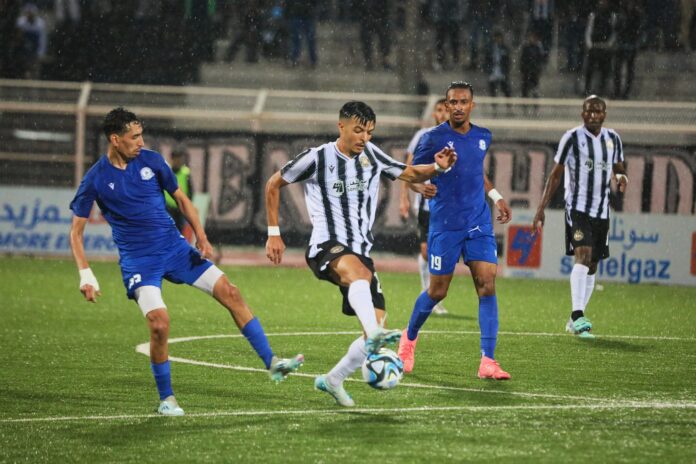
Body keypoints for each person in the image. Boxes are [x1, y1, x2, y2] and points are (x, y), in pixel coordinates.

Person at [69, 108, 303, 416]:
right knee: (159, 325)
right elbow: (76, 232)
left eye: (141, 135)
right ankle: (167, 399)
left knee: (231, 292)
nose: (141, 142)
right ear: (115, 139)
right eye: (134, 137)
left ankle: (273, 362)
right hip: (140, 261)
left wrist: (202, 237)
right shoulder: (96, 179)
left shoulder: (152, 161)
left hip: (175, 249)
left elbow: (182, 199)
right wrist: (86, 274)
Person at [265, 101, 457, 407]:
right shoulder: (319, 157)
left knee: (376, 314)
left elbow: (409, 173)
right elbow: (274, 183)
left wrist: (438, 167)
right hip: (326, 245)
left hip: (361, 251)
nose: (364, 137)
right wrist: (274, 233)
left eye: (369, 131)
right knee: (364, 292)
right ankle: (375, 335)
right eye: (358, 130)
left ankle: (333, 380)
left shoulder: (372, 154)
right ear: (341, 126)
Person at [398, 81, 513, 380]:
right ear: (446, 106)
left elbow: (477, 172)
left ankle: (488, 360)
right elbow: (409, 172)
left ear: (472, 105)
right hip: (445, 225)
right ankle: (408, 340)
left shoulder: (483, 136)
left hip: (478, 222)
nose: (458, 107)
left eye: (464, 102)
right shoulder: (432, 138)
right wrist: (418, 185)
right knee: (438, 291)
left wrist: (497, 197)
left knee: (487, 284)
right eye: (453, 102)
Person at [533, 96, 627, 339]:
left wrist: (621, 177)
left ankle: (575, 317)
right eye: (589, 111)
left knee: (593, 264)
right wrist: (541, 208)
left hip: (601, 211)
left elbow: (618, 165)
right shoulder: (572, 138)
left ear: (605, 114)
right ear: (582, 114)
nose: (593, 115)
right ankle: (577, 316)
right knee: (582, 255)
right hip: (577, 208)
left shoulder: (613, 138)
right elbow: (555, 175)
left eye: (598, 111)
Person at [399, 98, 450, 315]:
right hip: (427, 204)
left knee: (441, 253)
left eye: (445, 109)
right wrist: (405, 196)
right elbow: (408, 168)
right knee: (426, 250)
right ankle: (427, 292)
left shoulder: (457, 138)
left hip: (449, 206)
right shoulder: (423, 136)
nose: (441, 113)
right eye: (438, 109)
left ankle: (435, 295)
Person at [164, 147, 194, 242]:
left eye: (180, 159)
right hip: (167, 207)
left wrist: (188, 205)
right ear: (172, 159)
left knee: (179, 230)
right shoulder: (166, 171)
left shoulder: (186, 173)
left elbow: (190, 191)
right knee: (167, 230)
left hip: (181, 207)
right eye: (177, 159)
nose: (179, 161)